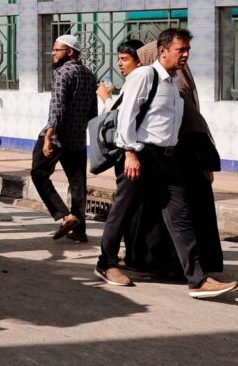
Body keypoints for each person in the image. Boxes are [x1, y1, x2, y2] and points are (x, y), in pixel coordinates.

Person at [94, 29, 236, 299]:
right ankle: (105, 263)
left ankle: (196, 280)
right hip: (142, 157)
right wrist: (130, 154)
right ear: (162, 51)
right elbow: (126, 116)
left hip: (168, 161)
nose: (185, 55)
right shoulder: (144, 76)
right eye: (180, 50)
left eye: (187, 51)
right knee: (122, 213)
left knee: (181, 219)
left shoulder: (172, 83)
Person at [30, 35, 97, 241]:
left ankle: (65, 216)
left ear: (70, 52)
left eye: (57, 50)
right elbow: (92, 111)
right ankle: (79, 231)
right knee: (78, 185)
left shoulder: (62, 73)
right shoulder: (89, 74)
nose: (53, 54)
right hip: (77, 139)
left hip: (57, 136)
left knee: (39, 173)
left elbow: (57, 106)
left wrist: (49, 135)